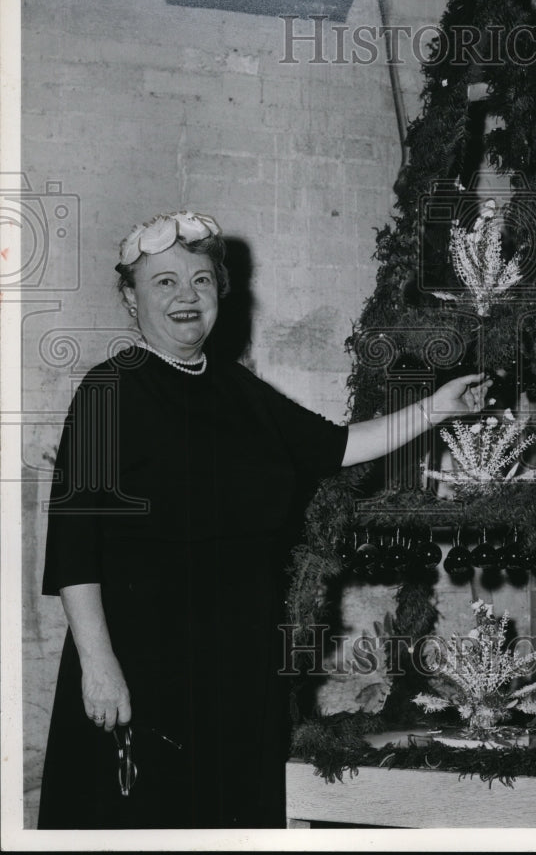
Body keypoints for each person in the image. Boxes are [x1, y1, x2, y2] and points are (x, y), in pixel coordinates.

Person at [38, 210, 490, 830]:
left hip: (239, 661)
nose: (186, 297)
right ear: (129, 297)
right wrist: (99, 666)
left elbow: (335, 447)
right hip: (143, 661)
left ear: (220, 292)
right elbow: (75, 546)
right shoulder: (107, 392)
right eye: (163, 282)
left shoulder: (236, 389)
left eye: (200, 280)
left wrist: (435, 410)